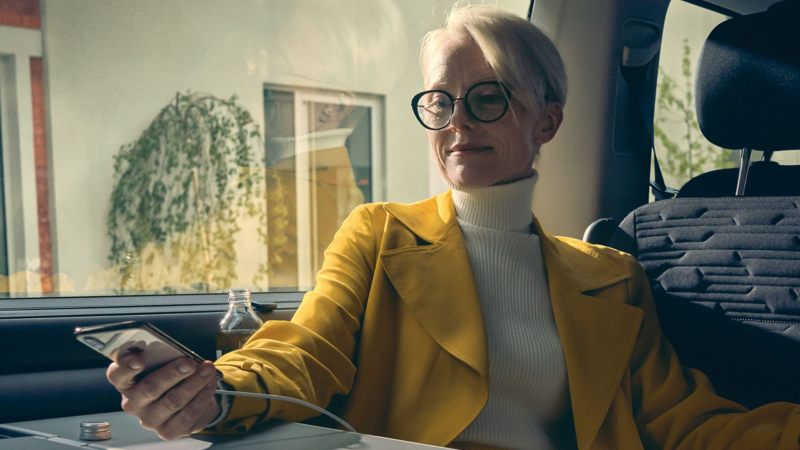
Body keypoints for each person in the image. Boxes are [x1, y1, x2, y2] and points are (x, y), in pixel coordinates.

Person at [106, 5, 800, 449]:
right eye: (441, 101)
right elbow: (303, 356)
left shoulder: (612, 274)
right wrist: (216, 392)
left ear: (546, 122)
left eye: (488, 98)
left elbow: (685, 422)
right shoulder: (379, 234)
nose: (458, 121)